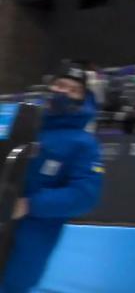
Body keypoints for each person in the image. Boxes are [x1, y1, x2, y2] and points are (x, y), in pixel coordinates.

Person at [1, 63, 104, 293]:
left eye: (72, 89)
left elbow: (84, 195)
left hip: (28, 243)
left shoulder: (84, 145)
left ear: (83, 98)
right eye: (59, 85)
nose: (63, 92)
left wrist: (29, 205)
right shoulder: (26, 126)